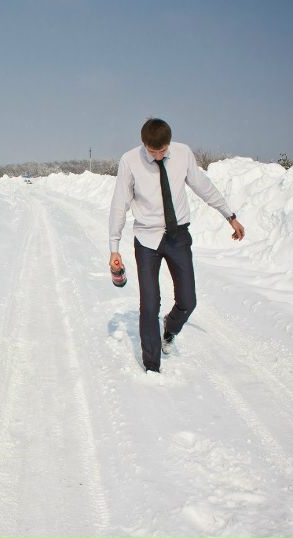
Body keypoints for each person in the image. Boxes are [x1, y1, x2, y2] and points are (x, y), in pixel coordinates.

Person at [108, 118, 245, 373]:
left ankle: (170, 330)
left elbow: (204, 186)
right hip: (146, 239)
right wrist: (114, 247)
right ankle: (152, 366)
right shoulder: (130, 161)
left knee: (188, 300)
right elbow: (119, 204)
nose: (159, 156)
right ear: (144, 145)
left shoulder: (182, 154)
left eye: (163, 150)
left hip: (178, 237)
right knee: (149, 304)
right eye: (153, 151)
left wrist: (230, 216)